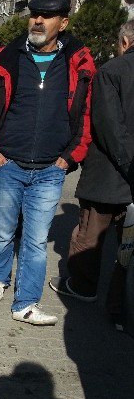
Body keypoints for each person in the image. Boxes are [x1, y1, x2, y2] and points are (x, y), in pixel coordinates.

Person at [0, 0, 96, 326]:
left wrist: (70, 157)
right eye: (34, 14)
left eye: (47, 15)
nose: (37, 20)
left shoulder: (79, 62)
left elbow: (87, 114)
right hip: (7, 164)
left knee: (36, 239)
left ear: (63, 21)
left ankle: (25, 303)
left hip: (50, 170)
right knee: (2, 231)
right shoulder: (4, 58)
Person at [49, 20, 134, 325]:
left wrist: (128, 165)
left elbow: (108, 125)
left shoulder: (112, 71)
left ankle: (82, 286)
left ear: (124, 42)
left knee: (89, 237)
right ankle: (120, 307)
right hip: (122, 176)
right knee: (128, 248)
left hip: (110, 175)